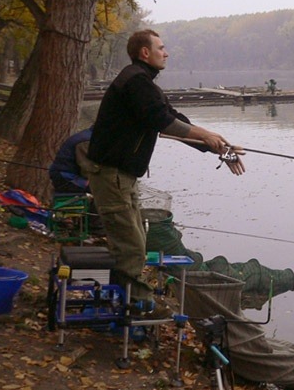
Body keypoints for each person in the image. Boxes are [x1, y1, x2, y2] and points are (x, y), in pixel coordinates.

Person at [87, 29, 245, 316]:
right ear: (144, 52)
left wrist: (219, 147)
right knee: (132, 246)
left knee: (134, 241)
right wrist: (207, 134)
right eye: (161, 47)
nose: (166, 52)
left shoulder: (143, 83)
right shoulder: (135, 80)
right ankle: (137, 308)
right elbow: (162, 121)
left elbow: (173, 119)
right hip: (111, 175)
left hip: (122, 176)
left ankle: (122, 301)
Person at [49, 127, 94, 195]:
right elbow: (88, 171)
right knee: (104, 189)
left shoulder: (91, 136)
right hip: (67, 178)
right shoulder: (87, 141)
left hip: (74, 176)